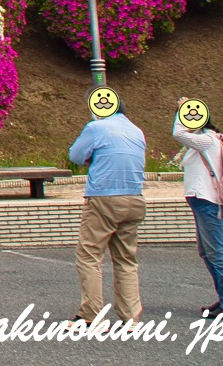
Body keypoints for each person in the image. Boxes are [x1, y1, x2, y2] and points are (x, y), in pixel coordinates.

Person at [68, 99, 146, 324]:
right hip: (134, 198)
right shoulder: (136, 130)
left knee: (89, 255)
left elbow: (75, 155)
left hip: (104, 198)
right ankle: (130, 318)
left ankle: (91, 315)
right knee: (126, 259)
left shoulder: (96, 128)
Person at [174, 97, 223, 321]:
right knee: (207, 252)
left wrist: (181, 110)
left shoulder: (208, 140)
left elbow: (178, 133)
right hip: (203, 202)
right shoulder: (203, 141)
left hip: (208, 203)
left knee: (217, 253)